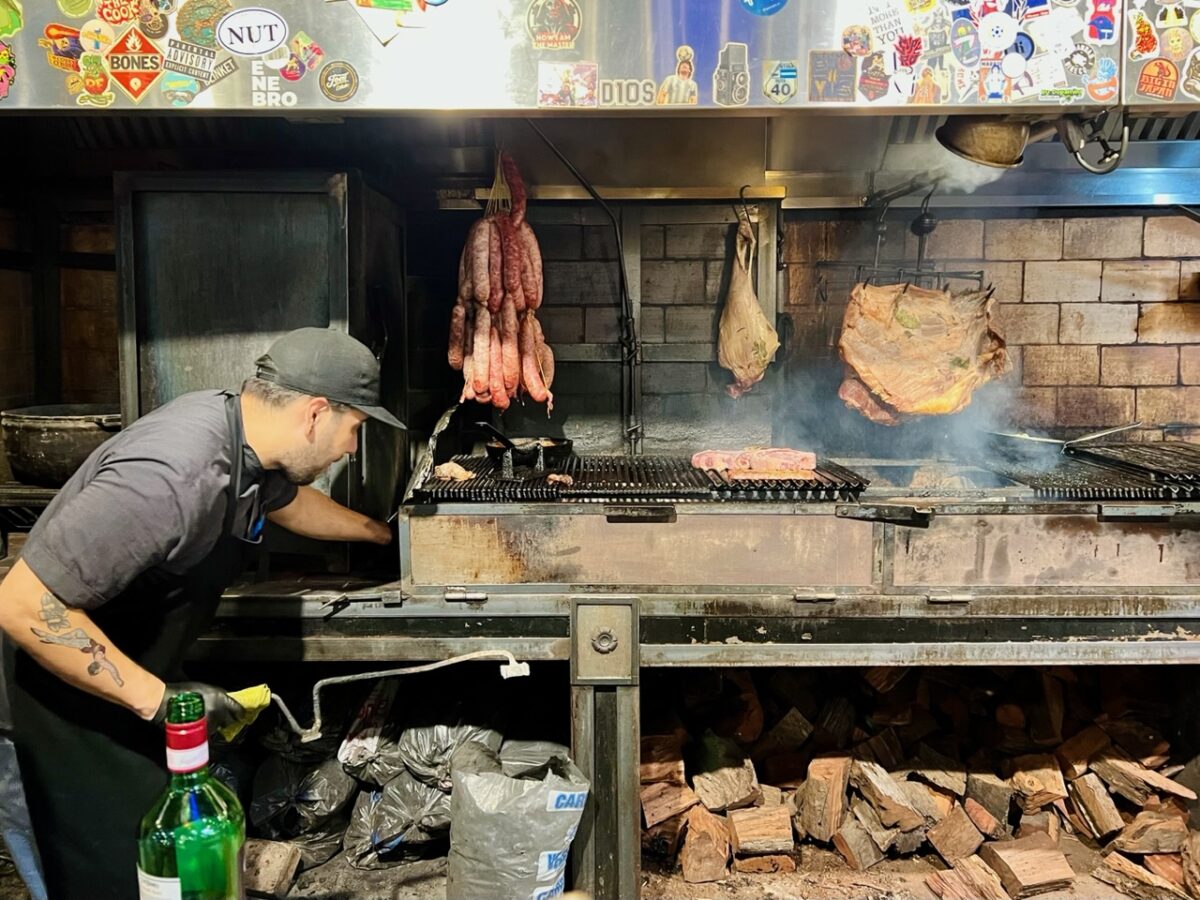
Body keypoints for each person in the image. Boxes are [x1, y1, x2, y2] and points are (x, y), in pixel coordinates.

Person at [0, 328, 403, 899]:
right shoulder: (172, 475)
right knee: (104, 879)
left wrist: (383, 536)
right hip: (56, 707)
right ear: (316, 413)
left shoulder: (246, 438)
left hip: (120, 696)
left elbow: (286, 502)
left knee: (160, 873)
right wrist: (157, 699)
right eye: (354, 429)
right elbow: (22, 605)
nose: (351, 449)